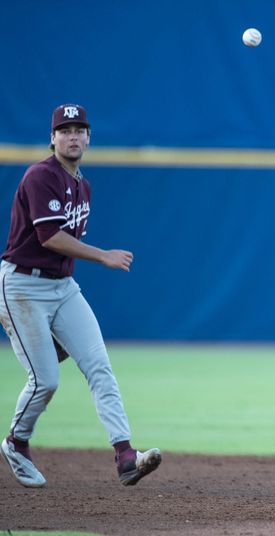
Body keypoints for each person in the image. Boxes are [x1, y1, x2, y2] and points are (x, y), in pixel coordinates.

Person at [0, 104, 161, 488]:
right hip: (22, 286)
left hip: (62, 288)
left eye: (79, 129)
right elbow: (49, 237)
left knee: (99, 366)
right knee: (46, 381)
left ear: (89, 138)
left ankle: (125, 456)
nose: (73, 136)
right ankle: (16, 442)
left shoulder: (82, 185)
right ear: (52, 138)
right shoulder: (40, 176)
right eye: (65, 130)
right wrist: (103, 255)